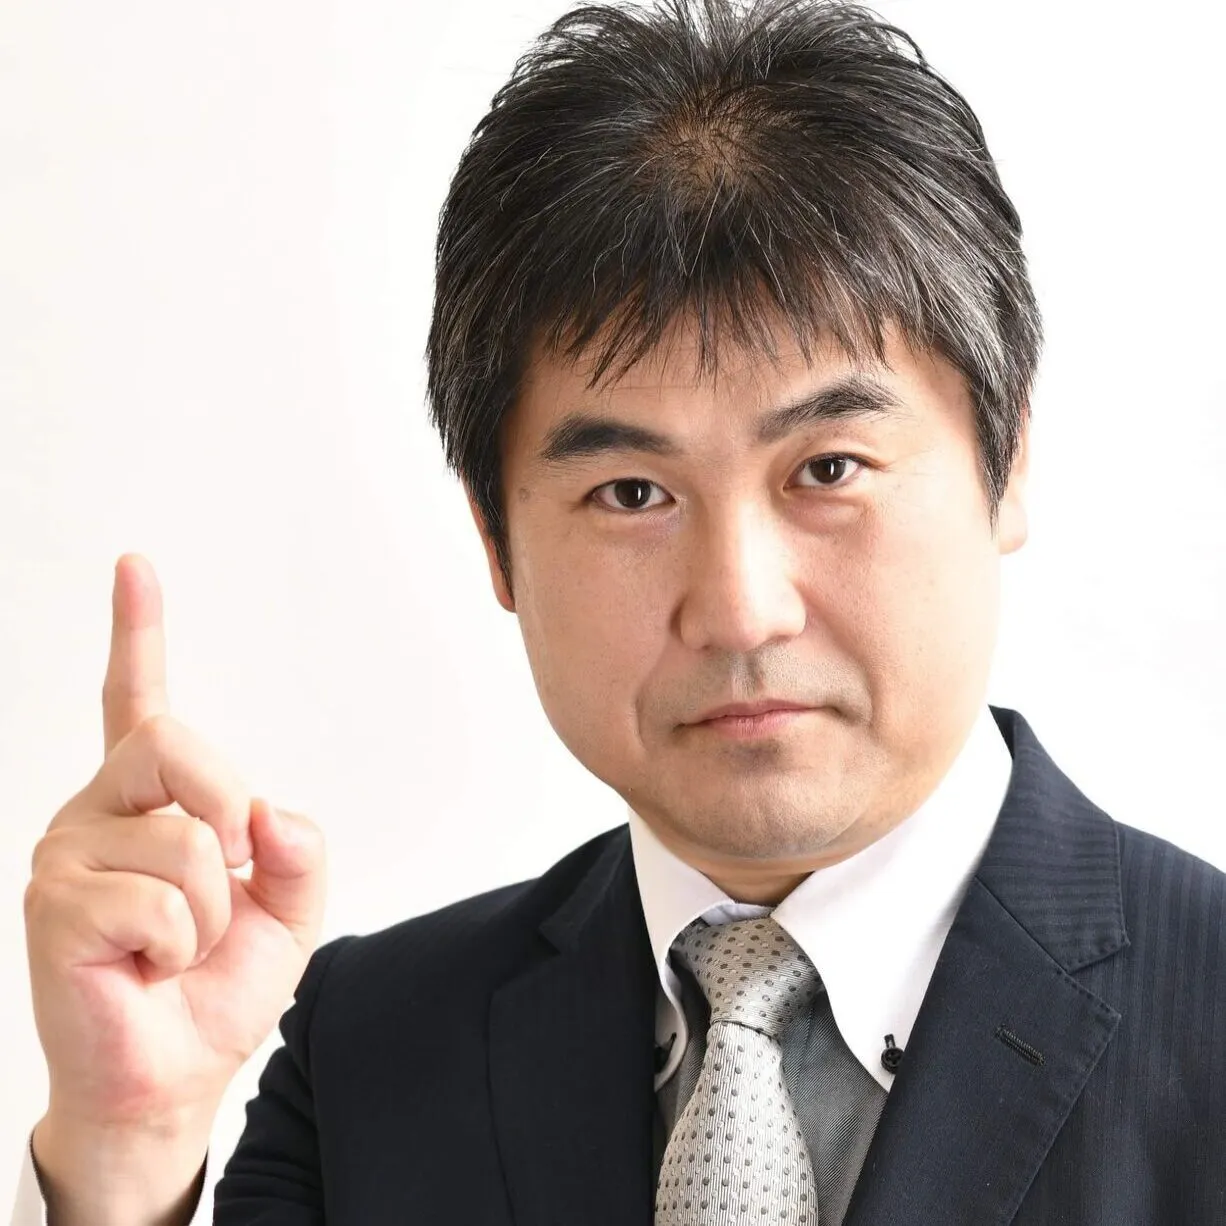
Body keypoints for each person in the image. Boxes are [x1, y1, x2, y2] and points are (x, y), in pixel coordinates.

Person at [12, 0, 1226, 1222]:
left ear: (1005, 464)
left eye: (827, 468)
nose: (739, 609)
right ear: (496, 539)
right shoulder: (373, 1046)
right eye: (631, 492)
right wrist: (123, 1152)